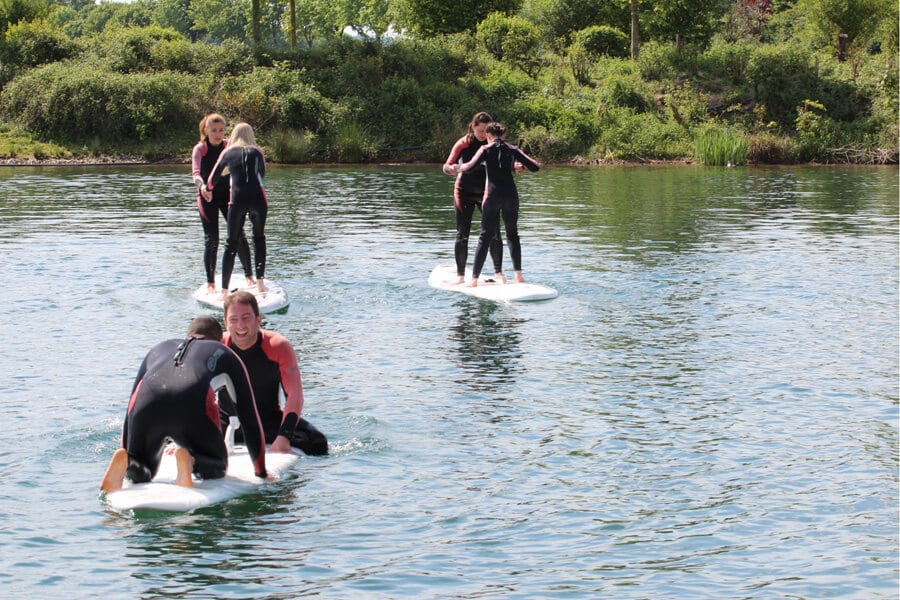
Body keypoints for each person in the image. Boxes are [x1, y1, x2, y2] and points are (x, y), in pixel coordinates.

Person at [99, 316, 269, 493]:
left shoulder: (158, 349)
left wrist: (126, 448)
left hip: (147, 402)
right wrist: (261, 472)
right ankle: (191, 461)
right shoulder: (224, 352)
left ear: (187, 335)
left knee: (142, 473)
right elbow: (249, 416)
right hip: (190, 403)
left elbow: (131, 406)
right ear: (220, 340)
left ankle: (128, 462)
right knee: (217, 467)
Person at [222, 291, 328, 456]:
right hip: (225, 425)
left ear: (258, 319)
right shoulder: (216, 347)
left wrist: (284, 436)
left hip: (266, 422)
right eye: (233, 320)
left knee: (318, 443)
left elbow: (295, 395)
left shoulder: (278, 346)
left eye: (246, 318)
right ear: (225, 323)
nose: (240, 326)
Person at [454, 122, 540, 287]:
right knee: (512, 235)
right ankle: (518, 276)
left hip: (492, 197)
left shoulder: (485, 149)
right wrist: (520, 166)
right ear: (504, 135)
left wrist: (455, 167)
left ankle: (473, 280)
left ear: (488, 135)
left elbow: (469, 167)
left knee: (485, 236)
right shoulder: (513, 149)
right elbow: (535, 167)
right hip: (511, 196)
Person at [191, 113, 254, 295]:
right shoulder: (200, 149)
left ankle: (249, 275)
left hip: (227, 196)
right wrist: (203, 187)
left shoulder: (229, 146)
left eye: (221, 130)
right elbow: (196, 174)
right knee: (212, 239)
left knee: (238, 234)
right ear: (206, 130)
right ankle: (211, 283)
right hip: (207, 196)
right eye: (214, 130)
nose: (218, 134)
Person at [442, 112, 505, 285]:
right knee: (463, 234)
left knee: (494, 233)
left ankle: (499, 274)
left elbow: (507, 163)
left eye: (487, 130)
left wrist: (517, 167)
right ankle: (460, 276)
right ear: (473, 127)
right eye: (481, 130)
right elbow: (446, 166)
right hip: (464, 192)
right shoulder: (464, 143)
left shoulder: (495, 145)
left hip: (486, 193)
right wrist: (453, 169)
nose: (484, 134)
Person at [207, 122, 268, 300]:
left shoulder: (227, 152)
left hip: (237, 200)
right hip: (259, 200)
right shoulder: (258, 152)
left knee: (231, 244)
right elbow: (261, 175)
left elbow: (212, 180)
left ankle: (224, 291)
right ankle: (260, 284)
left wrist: (214, 185)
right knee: (259, 238)